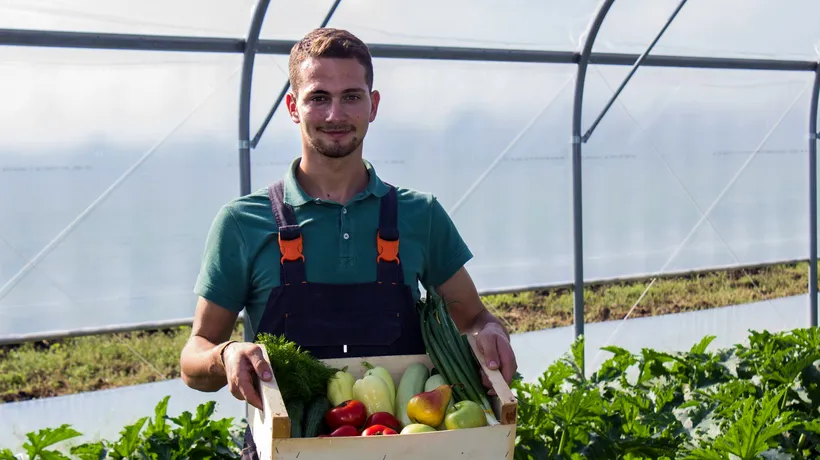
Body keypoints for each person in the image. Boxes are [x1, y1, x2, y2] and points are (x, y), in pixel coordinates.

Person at [179, 27, 517, 457]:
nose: (335, 114)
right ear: (292, 107)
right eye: (319, 97)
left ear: (373, 106)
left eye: (352, 96)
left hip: (404, 446)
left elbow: (475, 319)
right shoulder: (242, 223)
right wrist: (225, 355)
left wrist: (490, 334)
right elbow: (195, 358)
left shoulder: (421, 215)